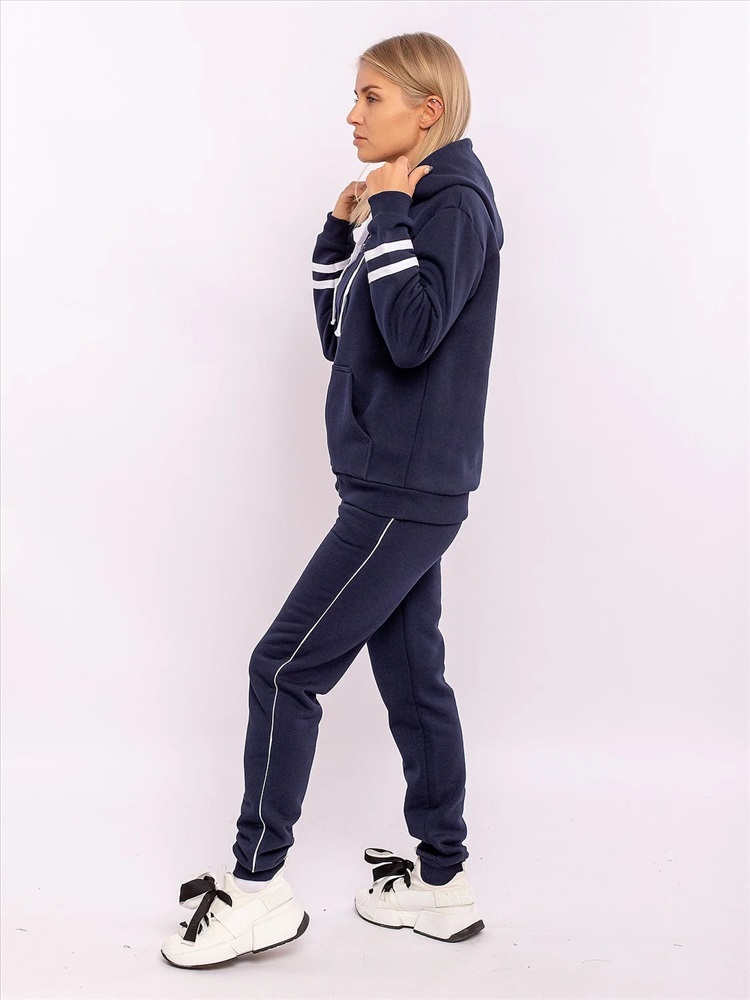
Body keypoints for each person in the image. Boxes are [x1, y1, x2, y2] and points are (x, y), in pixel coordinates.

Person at [160, 30, 504, 969]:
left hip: (402, 488)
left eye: (370, 97)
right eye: (355, 97)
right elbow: (344, 337)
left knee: (283, 669)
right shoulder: (408, 200)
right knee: (413, 679)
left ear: (427, 110)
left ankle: (256, 889)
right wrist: (337, 234)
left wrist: (388, 214)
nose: (351, 115)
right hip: (394, 484)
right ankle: (442, 883)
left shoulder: (451, 201)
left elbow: (415, 333)